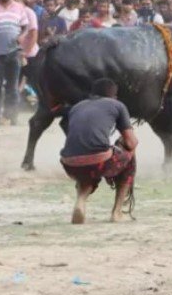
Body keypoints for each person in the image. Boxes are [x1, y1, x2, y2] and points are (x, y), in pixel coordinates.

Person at [59, 78, 139, 224]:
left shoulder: (77, 107)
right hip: (98, 161)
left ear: (92, 94)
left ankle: (81, 201)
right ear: (114, 96)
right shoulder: (117, 105)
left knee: (89, 168)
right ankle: (117, 212)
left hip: (69, 164)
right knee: (129, 154)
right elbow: (131, 142)